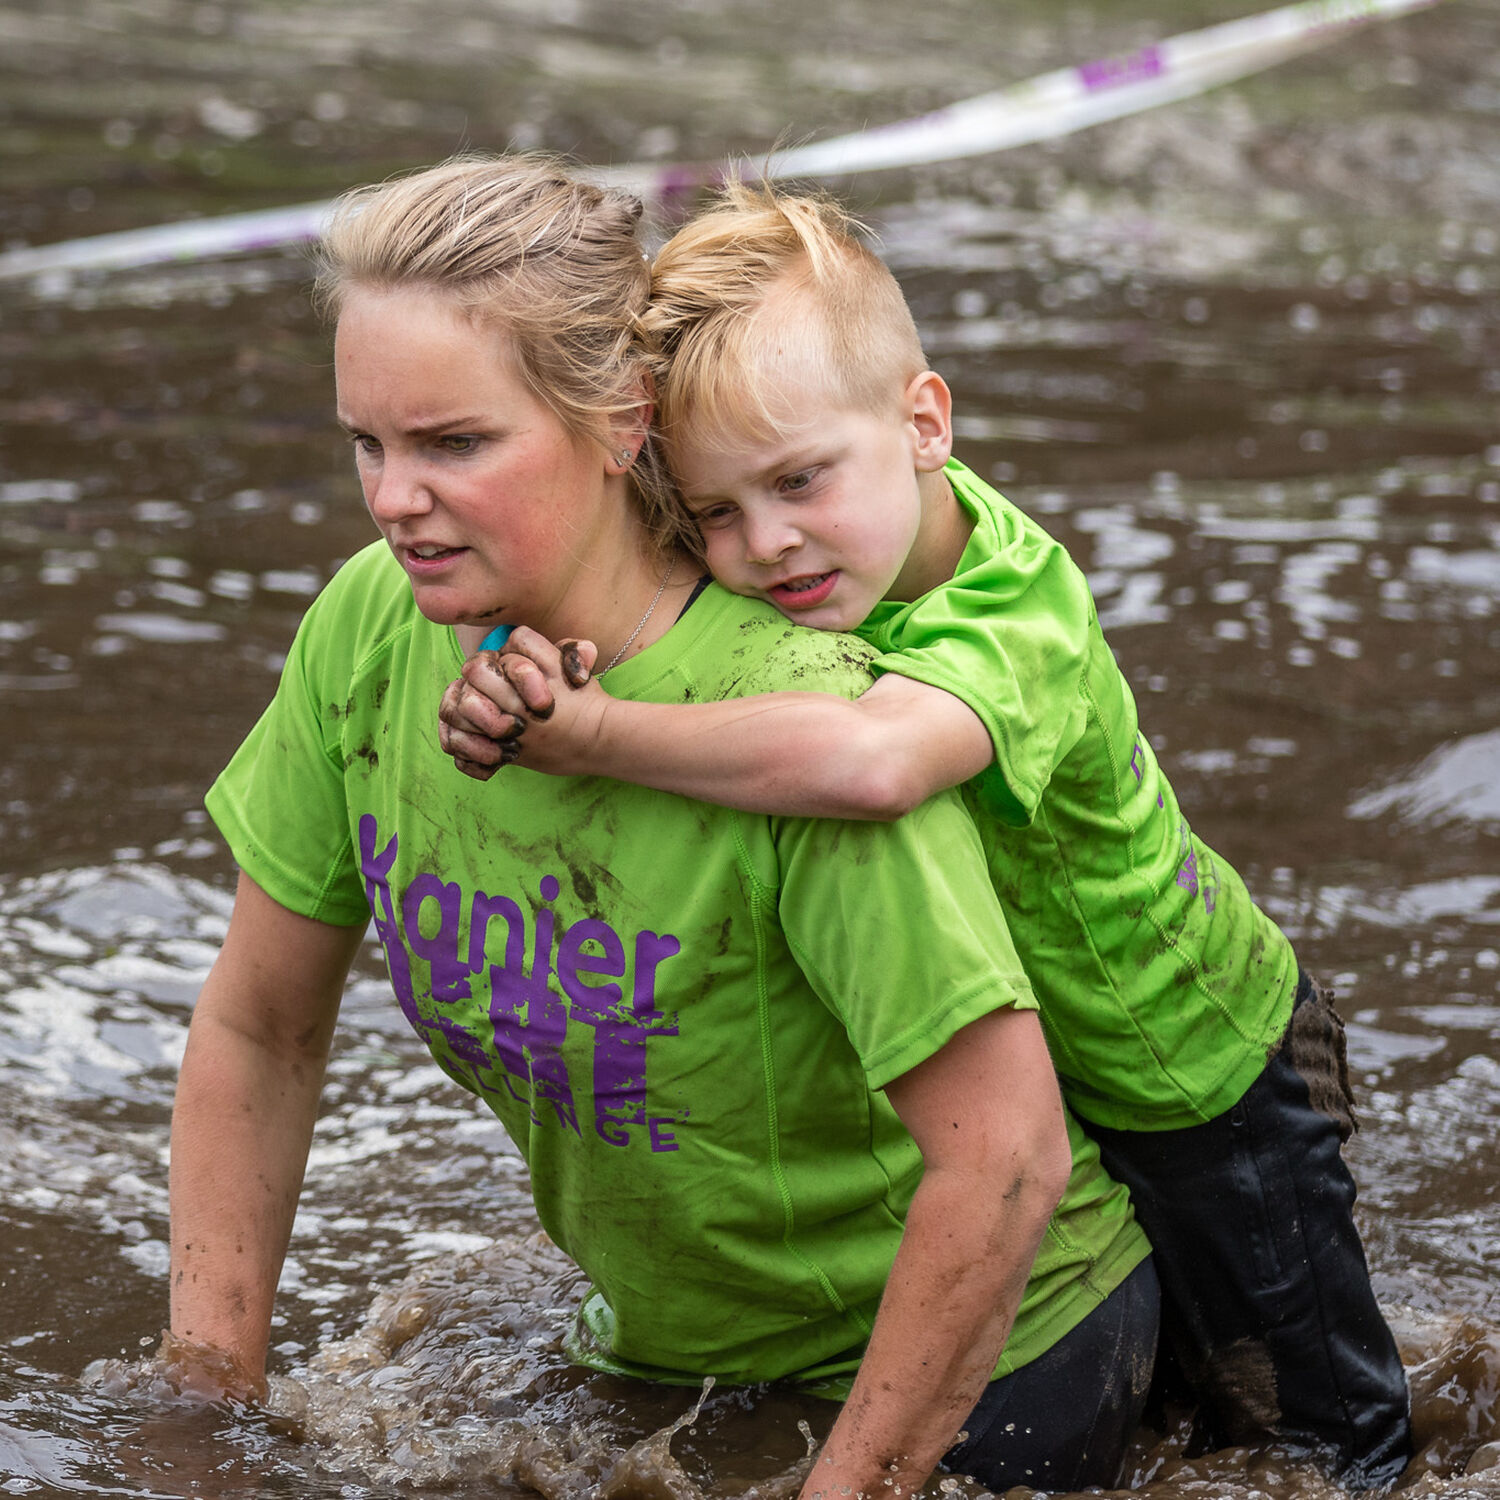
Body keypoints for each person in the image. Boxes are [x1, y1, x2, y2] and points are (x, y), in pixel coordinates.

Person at [166, 154, 1160, 1500]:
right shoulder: (370, 626)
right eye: (368, 443)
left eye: (454, 444)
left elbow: (1007, 1162)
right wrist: (205, 1403)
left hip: (989, 1362)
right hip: (670, 1349)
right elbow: (258, 1024)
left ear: (623, 419)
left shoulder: (794, 733)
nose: (394, 498)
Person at [438, 181, 1413, 1490]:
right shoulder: (837, 534)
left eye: (797, 483)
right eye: (715, 511)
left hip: (1208, 1073)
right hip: (1055, 1074)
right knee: (1171, 1405)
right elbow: (612, 568)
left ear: (925, 424)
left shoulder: (1019, 606)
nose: (764, 542)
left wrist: (595, 736)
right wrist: (509, 651)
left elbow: (875, 761)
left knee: (1310, 1434)